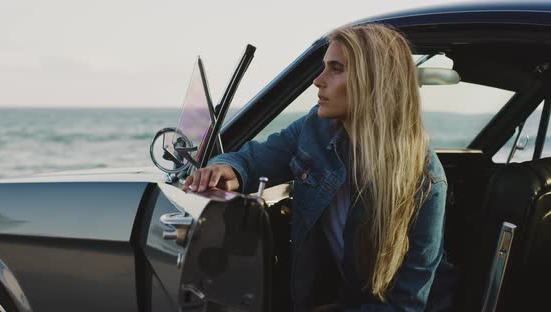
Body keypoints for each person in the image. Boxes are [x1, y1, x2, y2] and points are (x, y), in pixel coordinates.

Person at [183, 23, 454, 311]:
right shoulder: (316, 127)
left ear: (374, 80)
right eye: (324, 67)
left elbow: (405, 306)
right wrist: (227, 171)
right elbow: (252, 159)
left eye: (335, 68)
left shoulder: (425, 180)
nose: (318, 80)